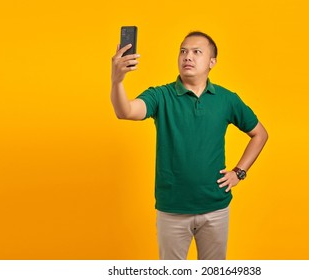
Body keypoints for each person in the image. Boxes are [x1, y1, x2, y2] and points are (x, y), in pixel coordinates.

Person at [110, 31, 268, 260]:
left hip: (216, 208)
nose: (187, 56)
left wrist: (239, 172)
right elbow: (125, 111)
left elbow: (260, 134)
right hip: (172, 210)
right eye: (183, 51)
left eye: (196, 52)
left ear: (212, 62)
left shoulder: (227, 99)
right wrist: (117, 81)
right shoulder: (160, 96)